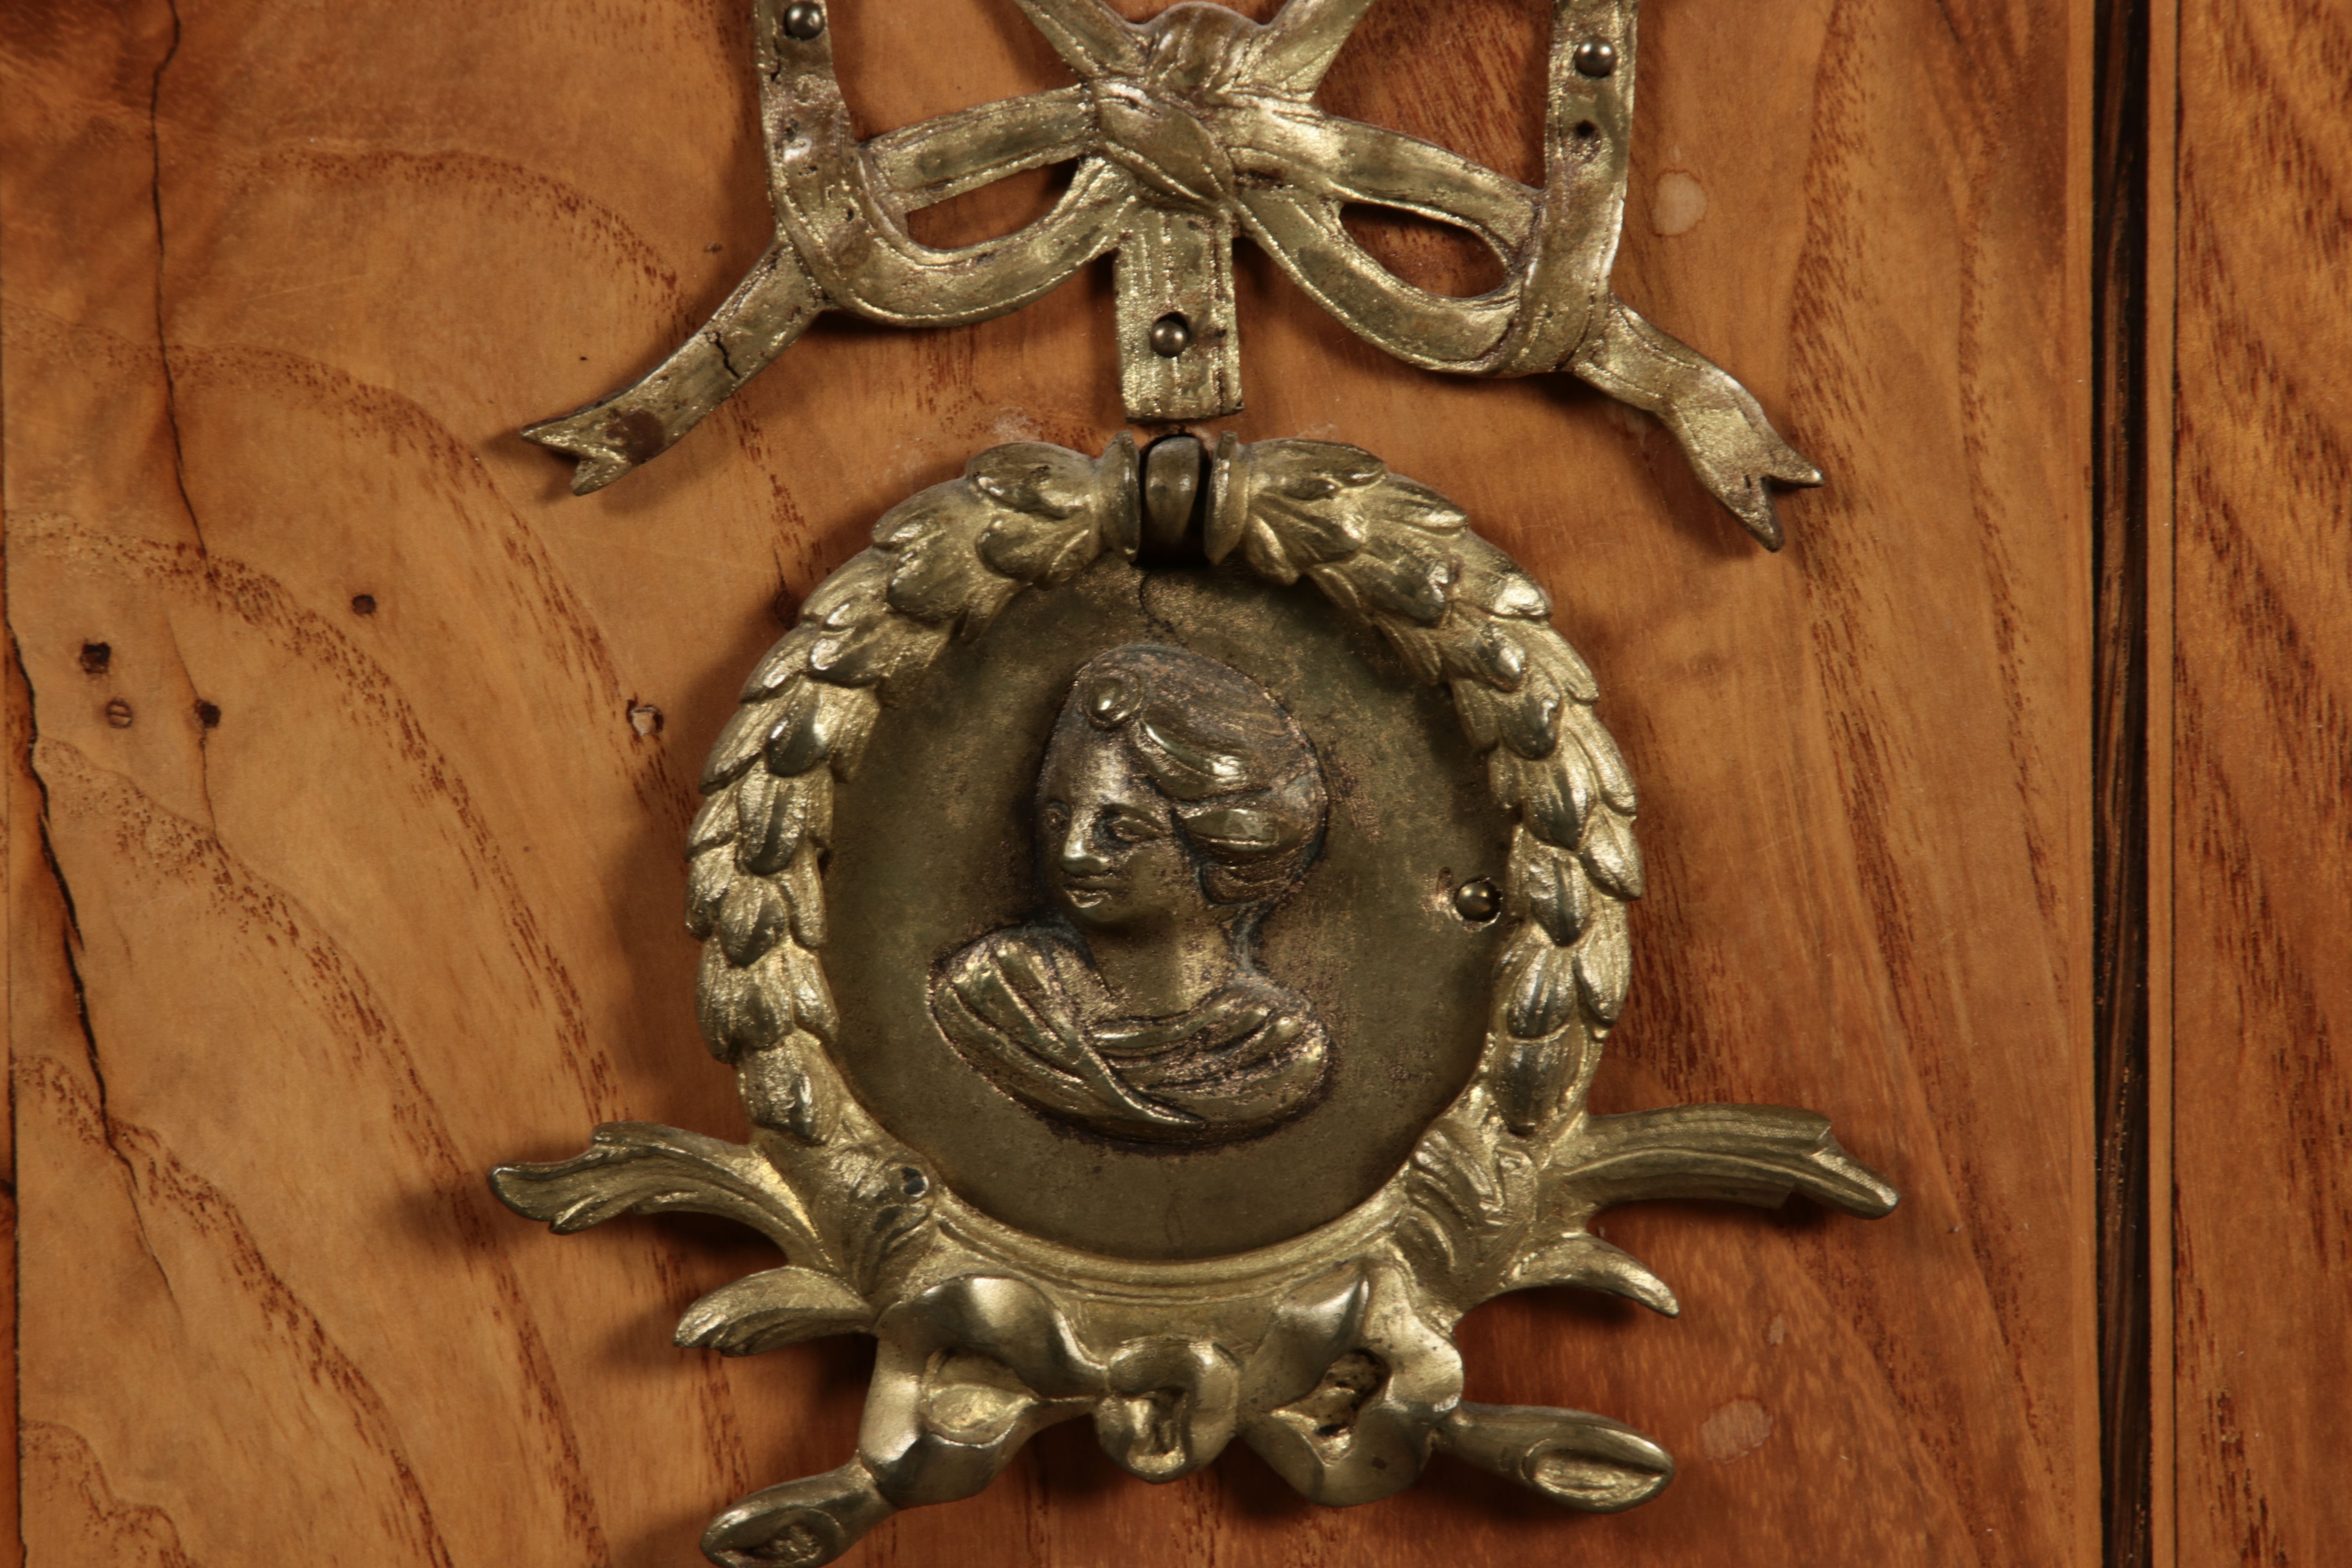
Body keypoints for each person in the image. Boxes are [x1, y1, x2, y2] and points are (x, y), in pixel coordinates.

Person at [928, 643, 1333, 1144]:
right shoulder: (995, 998)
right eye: (1057, 820)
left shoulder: (1271, 1053)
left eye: (1121, 830)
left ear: (1223, 849)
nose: (1073, 852)